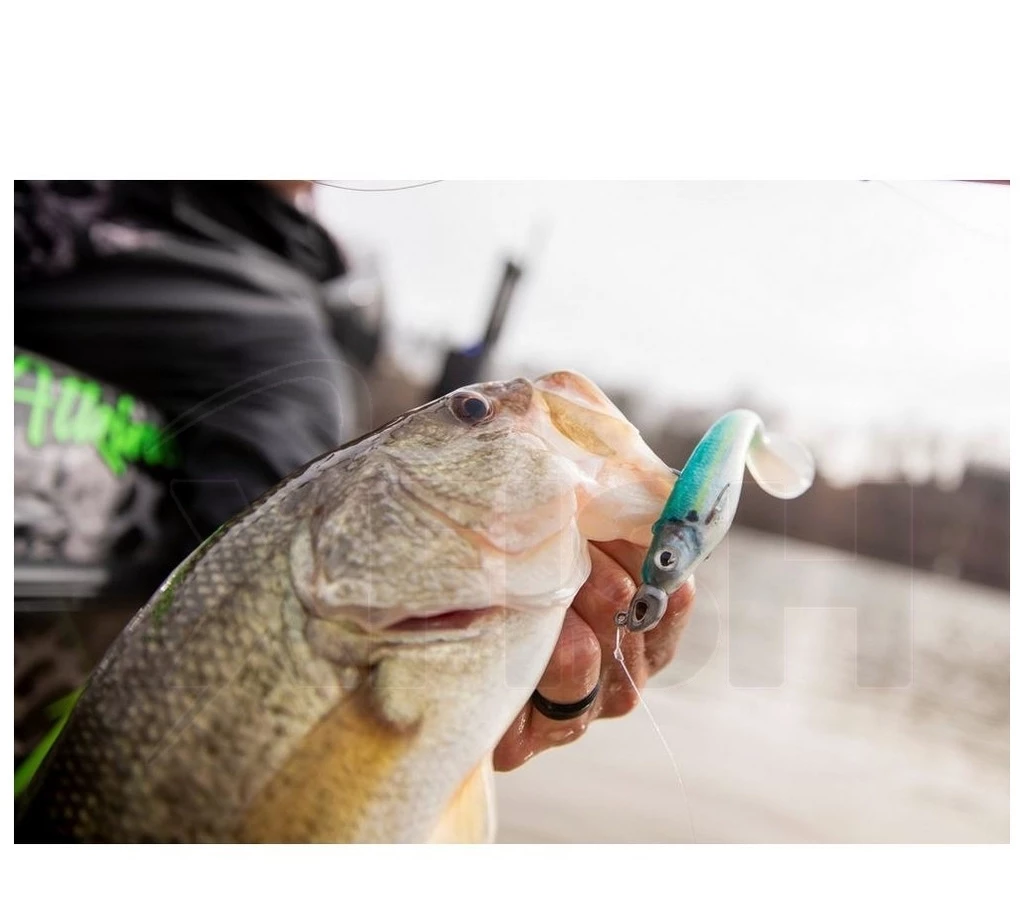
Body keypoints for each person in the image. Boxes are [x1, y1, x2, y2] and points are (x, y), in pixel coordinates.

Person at [13, 180, 693, 772]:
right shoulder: (276, 338)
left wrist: (458, 678)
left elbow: (284, 614)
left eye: (473, 413)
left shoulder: (282, 352)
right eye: (475, 411)